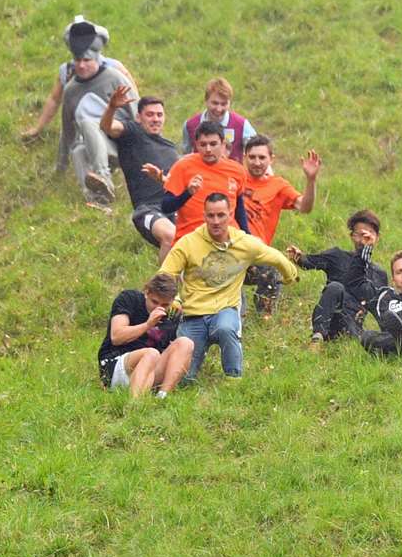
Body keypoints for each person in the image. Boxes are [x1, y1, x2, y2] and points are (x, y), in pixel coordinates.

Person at [159, 192, 299, 381]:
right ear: (204, 216)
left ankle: (233, 379)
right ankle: (187, 375)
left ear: (230, 214)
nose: (216, 221)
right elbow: (166, 273)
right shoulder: (188, 242)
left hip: (224, 309)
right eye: (211, 215)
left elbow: (275, 257)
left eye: (221, 215)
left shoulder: (243, 243)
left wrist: (291, 275)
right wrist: (172, 299)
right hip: (193, 314)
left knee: (226, 328)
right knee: (184, 379)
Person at [22, 17, 137, 206]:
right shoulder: (71, 89)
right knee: (78, 150)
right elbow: (67, 133)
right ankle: (98, 200)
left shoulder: (114, 77)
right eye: (77, 60)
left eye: (87, 60)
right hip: (94, 145)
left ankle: (103, 177)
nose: (81, 65)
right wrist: (60, 168)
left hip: (121, 145)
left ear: (97, 58)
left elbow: (138, 115)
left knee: (88, 122)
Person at [95, 85, 180, 250]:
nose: (155, 119)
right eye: (150, 114)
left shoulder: (171, 148)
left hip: (175, 208)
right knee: (170, 235)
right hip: (148, 209)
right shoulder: (132, 132)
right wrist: (112, 107)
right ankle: (166, 277)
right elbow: (107, 127)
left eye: (159, 115)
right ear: (139, 117)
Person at [241, 136, 319, 313]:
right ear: (245, 156)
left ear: (271, 159)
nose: (257, 162)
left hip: (256, 253)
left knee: (272, 271)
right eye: (252, 157)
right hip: (229, 249)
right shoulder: (235, 177)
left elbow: (305, 207)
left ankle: (265, 317)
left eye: (262, 158)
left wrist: (311, 180)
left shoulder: (278, 186)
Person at [287, 210, 387, 345]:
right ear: (352, 236)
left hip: (353, 327)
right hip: (330, 317)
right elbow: (309, 262)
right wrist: (298, 257)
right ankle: (317, 338)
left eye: (368, 234)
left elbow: (381, 308)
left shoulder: (379, 273)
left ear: (377, 237)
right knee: (335, 287)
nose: (364, 239)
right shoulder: (337, 256)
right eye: (360, 234)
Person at [98, 272, 195, 398]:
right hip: (117, 364)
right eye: (154, 302)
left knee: (186, 343)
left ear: (172, 301)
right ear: (146, 292)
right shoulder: (129, 299)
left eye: (165, 305)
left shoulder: (172, 315)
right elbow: (116, 337)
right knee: (151, 353)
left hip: (149, 370)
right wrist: (148, 325)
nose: (159, 308)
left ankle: (162, 396)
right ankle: (135, 404)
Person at [152, 122, 251, 241]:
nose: (208, 149)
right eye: (203, 145)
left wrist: (247, 236)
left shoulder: (237, 170)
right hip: (192, 238)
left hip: (228, 238)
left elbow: (239, 208)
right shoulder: (183, 166)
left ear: (223, 144)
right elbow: (166, 207)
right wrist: (188, 193)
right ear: (196, 145)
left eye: (213, 144)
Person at [180, 77, 256, 161]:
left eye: (224, 104)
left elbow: (258, 152)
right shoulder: (190, 125)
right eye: (215, 103)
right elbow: (185, 157)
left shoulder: (241, 125)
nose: (219, 109)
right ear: (206, 100)